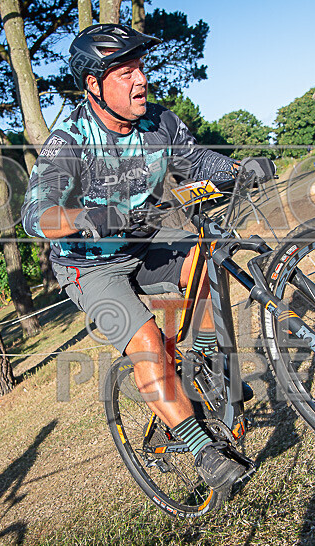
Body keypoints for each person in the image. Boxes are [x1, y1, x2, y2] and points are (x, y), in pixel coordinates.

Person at [21, 24, 275, 492]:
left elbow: (198, 163)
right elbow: (35, 214)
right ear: (93, 87)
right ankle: (202, 453)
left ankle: (200, 367)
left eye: (140, 67)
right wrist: (88, 216)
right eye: (124, 72)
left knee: (207, 257)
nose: (140, 79)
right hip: (89, 264)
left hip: (141, 241)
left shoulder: (158, 122)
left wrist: (240, 169)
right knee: (148, 345)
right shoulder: (70, 141)